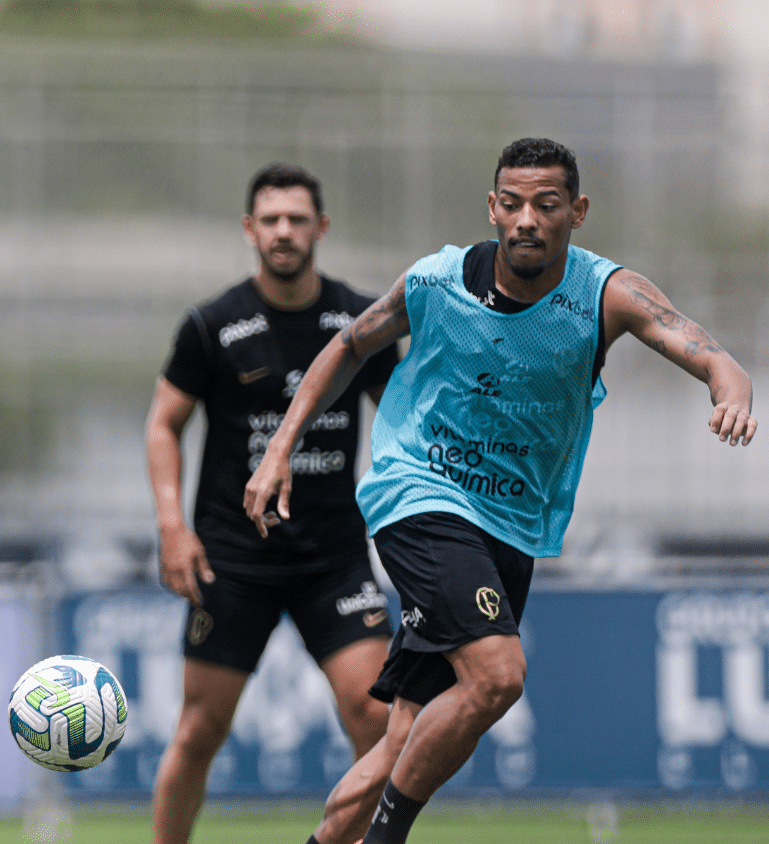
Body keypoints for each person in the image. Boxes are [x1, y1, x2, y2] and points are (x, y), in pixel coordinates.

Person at [244, 137, 757, 844]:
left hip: (509, 527)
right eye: (511, 204)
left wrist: (729, 390)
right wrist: (280, 450)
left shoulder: (606, 295)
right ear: (492, 207)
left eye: (546, 206)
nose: (526, 220)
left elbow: (703, 349)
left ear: (576, 212)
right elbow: (350, 344)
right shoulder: (437, 281)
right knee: (497, 675)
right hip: (418, 493)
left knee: (399, 746)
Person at [147, 163, 399, 844]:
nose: (283, 232)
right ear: (249, 229)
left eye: (296, 219)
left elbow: (408, 416)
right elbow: (163, 424)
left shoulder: (361, 320)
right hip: (232, 557)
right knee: (199, 731)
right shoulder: (212, 324)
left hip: (334, 558)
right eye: (271, 220)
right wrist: (173, 527)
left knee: (375, 718)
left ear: (320, 228)